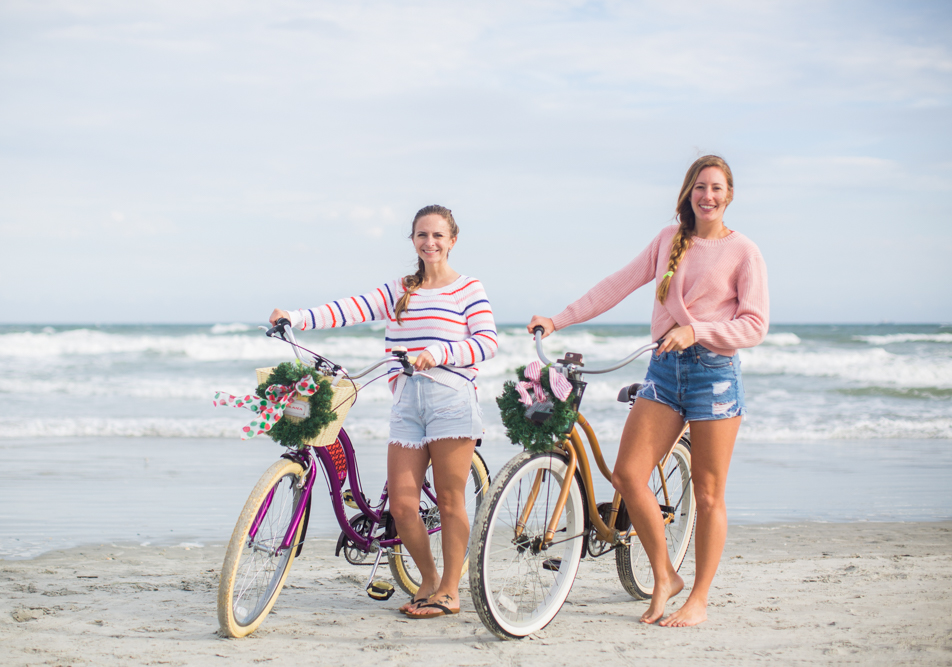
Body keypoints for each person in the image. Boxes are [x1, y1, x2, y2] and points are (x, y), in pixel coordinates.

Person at [528, 155, 768, 627]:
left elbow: (754, 326)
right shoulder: (668, 240)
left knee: (709, 491)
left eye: (717, 188)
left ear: (730, 195)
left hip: (713, 375)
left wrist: (697, 330)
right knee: (628, 476)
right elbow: (617, 284)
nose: (708, 196)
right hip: (663, 372)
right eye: (700, 187)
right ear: (688, 191)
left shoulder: (745, 252)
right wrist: (558, 319)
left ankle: (697, 597)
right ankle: (664, 575)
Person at [270, 204, 497, 620]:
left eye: (438, 236)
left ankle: (449, 590)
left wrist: (439, 352)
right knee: (403, 506)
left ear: (453, 241)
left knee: (449, 501)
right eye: (422, 235)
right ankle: (427, 581)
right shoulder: (400, 290)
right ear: (413, 240)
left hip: (451, 397)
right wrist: (296, 317)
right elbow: (350, 308)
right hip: (407, 402)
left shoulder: (468, 289)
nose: (430, 242)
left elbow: (486, 342)